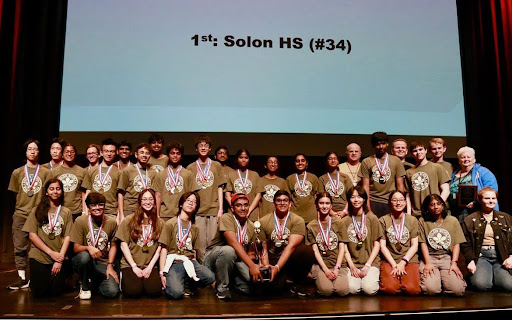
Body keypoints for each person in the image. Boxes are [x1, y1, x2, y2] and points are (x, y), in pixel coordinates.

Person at [205, 193, 268, 299]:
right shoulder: (227, 218)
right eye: (238, 205)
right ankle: (222, 288)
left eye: (245, 205)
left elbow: (250, 253)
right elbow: (233, 243)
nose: (243, 208)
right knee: (228, 251)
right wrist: (252, 266)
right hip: (215, 257)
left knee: (250, 288)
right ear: (232, 208)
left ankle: (230, 281)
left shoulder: (252, 226)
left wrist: (259, 265)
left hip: (235, 261)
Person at [8, 139, 51, 290]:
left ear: (39, 152)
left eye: (35, 149)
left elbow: (48, 194)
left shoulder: (46, 172)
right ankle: (21, 278)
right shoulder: (17, 172)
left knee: (37, 247)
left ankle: (35, 277)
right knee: (20, 246)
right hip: (21, 214)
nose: (32, 151)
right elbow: (15, 194)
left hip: (38, 215)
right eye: (29, 149)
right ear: (25, 152)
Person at [22, 178, 73, 298]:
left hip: (58, 258)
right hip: (40, 256)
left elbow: (68, 236)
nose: (55, 192)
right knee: (40, 293)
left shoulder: (66, 212)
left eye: (58, 189)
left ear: (62, 191)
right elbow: (32, 235)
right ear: (46, 192)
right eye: (52, 189)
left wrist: (59, 259)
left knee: (55, 292)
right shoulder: (36, 210)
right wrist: (51, 253)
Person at [159, 192, 215, 299]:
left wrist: (198, 266)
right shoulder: (170, 224)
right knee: (176, 293)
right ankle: (177, 284)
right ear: (181, 204)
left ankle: (187, 283)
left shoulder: (194, 227)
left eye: (194, 202)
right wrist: (162, 273)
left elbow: (195, 251)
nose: (191, 203)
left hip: (189, 261)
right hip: (174, 263)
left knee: (210, 277)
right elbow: (164, 249)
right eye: (188, 201)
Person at [259, 190, 315, 296]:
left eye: (285, 200)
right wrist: (268, 268)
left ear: (290, 203)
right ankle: (285, 280)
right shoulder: (263, 221)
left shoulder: (298, 220)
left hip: (290, 258)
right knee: (272, 289)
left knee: (306, 251)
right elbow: (263, 248)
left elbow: (291, 246)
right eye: (279, 200)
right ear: (274, 203)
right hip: (273, 258)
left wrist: (277, 268)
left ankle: (298, 282)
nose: (282, 203)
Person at [461, 187, 512, 292]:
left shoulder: (506, 218)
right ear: (480, 200)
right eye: (487, 198)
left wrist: (511, 256)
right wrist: (470, 260)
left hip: (501, 256)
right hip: (481, 256)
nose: (491, 201)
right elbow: (465, 243)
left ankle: (496, 277)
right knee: (481, 285)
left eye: (494, 198)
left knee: (508, 286)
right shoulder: (470, 220)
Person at [70, 192, 119, 300]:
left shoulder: (111, 222)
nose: (97, 208)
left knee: (112, 292)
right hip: (86, 261)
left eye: (100, 204)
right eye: (93, 205)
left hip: (103, 263)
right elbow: (76, 248)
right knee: (84, 257)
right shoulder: (80, 221)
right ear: (88, 207)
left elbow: (114, 245)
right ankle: (84, 285)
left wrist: (110, 265)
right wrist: (88, 247)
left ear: (105, 206)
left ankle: (95, 281)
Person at [116, 189, 164, 297]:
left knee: (153, 291)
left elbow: (160, 247)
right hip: (131, 264)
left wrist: (150, 267)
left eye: (151, 199)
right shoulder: (129, 220)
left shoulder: (160, 222)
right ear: (140, 202)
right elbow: (123, 245)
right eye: (144, 199)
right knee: (133, 291)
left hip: (150, 264)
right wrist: (134, 266)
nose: (148, 202)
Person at [185, 135, 226, 260]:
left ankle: (213, 271)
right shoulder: (191, 167)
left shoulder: (216, 165)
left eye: (206, 146)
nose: (203, 148)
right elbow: (189, 192)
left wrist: (220, 209)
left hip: (214, 209)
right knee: (200, 244)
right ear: (196, 149)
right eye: (200, 145)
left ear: (209, 149)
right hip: (198, 211)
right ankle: (204, 272)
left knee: (213, 243)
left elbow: (220, 187)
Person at [418, 194, 466, 296]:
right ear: (427, 208)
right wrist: (427, 263)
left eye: (438, 204)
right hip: (430, 257)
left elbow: (457, 243)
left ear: (443, 206)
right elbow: (423, 243)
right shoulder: (423, 221)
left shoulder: (453, 220)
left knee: (457, 290)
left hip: (446, 258)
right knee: (431, 290)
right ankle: (437, 281)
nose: (436, 207)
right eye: (432, 205)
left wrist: (454, 263)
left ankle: (446, 282)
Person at [340, 186, 381, 295]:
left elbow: (377, 244)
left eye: (359, 197)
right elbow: (344, 247)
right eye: (353, 197)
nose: (356, 200)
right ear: (349, 200)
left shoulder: (372, 218)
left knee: (369, 289)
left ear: (364, 199)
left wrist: (367, 265)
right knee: (353, 289)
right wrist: (352, 266)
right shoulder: (344, 221)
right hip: (352, 264)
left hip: (370, 263)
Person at [307, 192, 349, 297]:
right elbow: (315, 250)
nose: (324, 206)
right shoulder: (311, 226)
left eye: (327, 203)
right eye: (321, 203)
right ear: (316, 205)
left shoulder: (339, 223)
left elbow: (342, 248)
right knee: (326, 291)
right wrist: (325, 270)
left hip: (338, 265)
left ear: (331, 206)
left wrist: (337, 268)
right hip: (321, 266)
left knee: (342, 291)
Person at [379, 190, 421, 295]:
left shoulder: (412, 220)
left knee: (412, 289)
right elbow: (382, 246)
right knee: (390, 288)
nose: (398, 203)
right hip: (390, 259)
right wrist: (394, 264)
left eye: (401, 200)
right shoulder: (383, 220)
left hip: (408, 259)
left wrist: (403, 262)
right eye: (395, 200)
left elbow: (415, 245)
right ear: (390, 203)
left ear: (405, 202)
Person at [359, 132, 405, 217]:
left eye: (383, 144)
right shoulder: (366, 161)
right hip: (373, 201)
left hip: (391, 201)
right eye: (378, 144)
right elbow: (365, 187)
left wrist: (400, 204)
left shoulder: (396, 161)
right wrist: (368, 208)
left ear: (387, 144)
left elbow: (400, 185)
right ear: (373, 145)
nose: (381, 147)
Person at [449, 146, 499, 223]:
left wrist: (476, 202)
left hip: (478, 211)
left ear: (474, 160)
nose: (466, 159)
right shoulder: (454, 174)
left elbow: (492, 191)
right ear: (459, 161)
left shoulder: (484, 172)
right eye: (463, 157)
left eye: (468, 157)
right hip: (457, 212)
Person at [405, 141, 450, 218]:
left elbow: (446, 190)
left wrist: (438, 206)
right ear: (412, 154)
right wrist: (409, 213)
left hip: (434, 212)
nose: (418, 152)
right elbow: (408, 195)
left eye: (420, 149)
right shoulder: (409, 172)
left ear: (425, 151)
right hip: (417, 213)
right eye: (415, 151)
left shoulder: (437, 167)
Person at [82, 138, 122, 225]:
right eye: (106, 151)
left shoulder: (119, 172)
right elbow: (87, 191)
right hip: (93, 210)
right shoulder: (92, 171)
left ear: (116, 153)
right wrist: (85, 211)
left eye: (112, 151)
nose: (109, 154)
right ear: (101, 153)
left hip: (111, 212)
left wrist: (119, 214)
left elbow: (119, 195)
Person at [154, 141, 195, 221]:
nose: (175, 156)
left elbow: (192, 196)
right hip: (164, 214)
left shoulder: (188, 174)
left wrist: (189, 215)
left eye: (178, 153)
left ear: (181, 156)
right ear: (168, 155)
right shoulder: (160, 174)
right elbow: (158, 196)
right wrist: (157, 216)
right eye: (172, 153)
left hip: (182, 214)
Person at [118, 143, 156, 221]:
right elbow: (120, 193)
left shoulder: (153, 173)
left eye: (147, 153)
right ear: (136, 155)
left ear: (150, 156)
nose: (144, 155)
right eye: (141, 152)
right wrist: (121, 215)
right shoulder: (127, 171)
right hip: (130, 209)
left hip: (147, 209)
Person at [50, 143, 86, 220]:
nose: (69, 154)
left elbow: (84, 193)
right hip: (58, 210)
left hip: (76, 212)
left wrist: (84, 211)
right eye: (66, 152)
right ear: (62, 155)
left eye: (72, 152)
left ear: (75, 154)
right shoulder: (54, 171)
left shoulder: (82, 171)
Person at [225, 149, 263, 221]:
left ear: (249, 159)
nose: (243, 160)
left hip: (251, 213)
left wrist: (248, 210)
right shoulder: (230, 175)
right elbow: (227, 195)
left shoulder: (255, 175)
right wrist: (236, 209)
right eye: (241, 157)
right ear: (237, 159)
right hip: (234, 214)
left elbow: (258, 195)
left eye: (246, 158)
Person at [286, 153, 320, 224]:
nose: (300, 163)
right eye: (297, 161)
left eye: (302, 161)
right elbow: (288, 198)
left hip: (311, 215)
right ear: (294, 163)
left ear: (306, 163)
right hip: (295, 214)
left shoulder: (313, 177)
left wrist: (318, 213)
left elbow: (316, 196)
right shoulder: (289, 179)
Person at [319, 152, 352, 218]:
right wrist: (332, 213)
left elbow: (351, 195)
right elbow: (321, 198)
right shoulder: (322, 179)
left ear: (338, 161)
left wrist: (344, 211)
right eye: (330, 159)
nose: (333, 160)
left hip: (344, 211)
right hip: (328, 212)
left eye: (335, 159)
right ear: (327, 161)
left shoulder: (345, 177)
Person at [214, 145, 234, 214]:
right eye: (220, 153)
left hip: (228, 203)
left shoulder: (232, 171)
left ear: (227, 156)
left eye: (224, 153)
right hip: (214, 201)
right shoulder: (212, 169)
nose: (222, 155)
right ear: (215, 156)